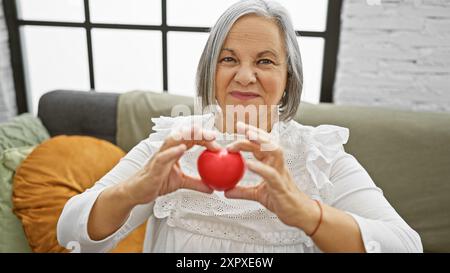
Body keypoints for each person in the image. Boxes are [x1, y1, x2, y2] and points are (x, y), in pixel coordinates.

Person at [57, 0, 422, 253]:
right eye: (228, 59)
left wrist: (306, 212)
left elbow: (406, 245)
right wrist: (134, 191)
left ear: (287, 76)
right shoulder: (170, 146)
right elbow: (71, 232)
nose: (245, 76)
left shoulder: (318, 157)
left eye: (265, 61)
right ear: (210, 70)